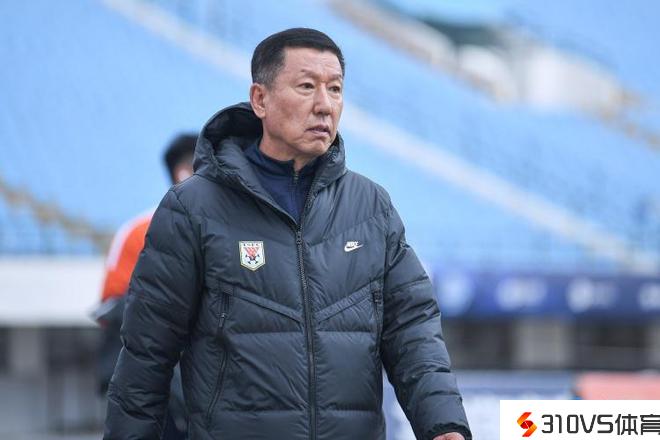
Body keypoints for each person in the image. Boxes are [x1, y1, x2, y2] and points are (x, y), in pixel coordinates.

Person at [104, 28, 471, 440]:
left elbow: (413, 330)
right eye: (307, 87)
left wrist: (443, 425)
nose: (324, 105)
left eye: (335, 89)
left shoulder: (371, 207)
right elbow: (146, 355)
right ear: (260, 99)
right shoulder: (193, 208)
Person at [96, 134, 197, 439]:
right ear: (183, 172)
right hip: (159, 386)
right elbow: (113, 309)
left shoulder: (228, 228)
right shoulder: (139, 231)